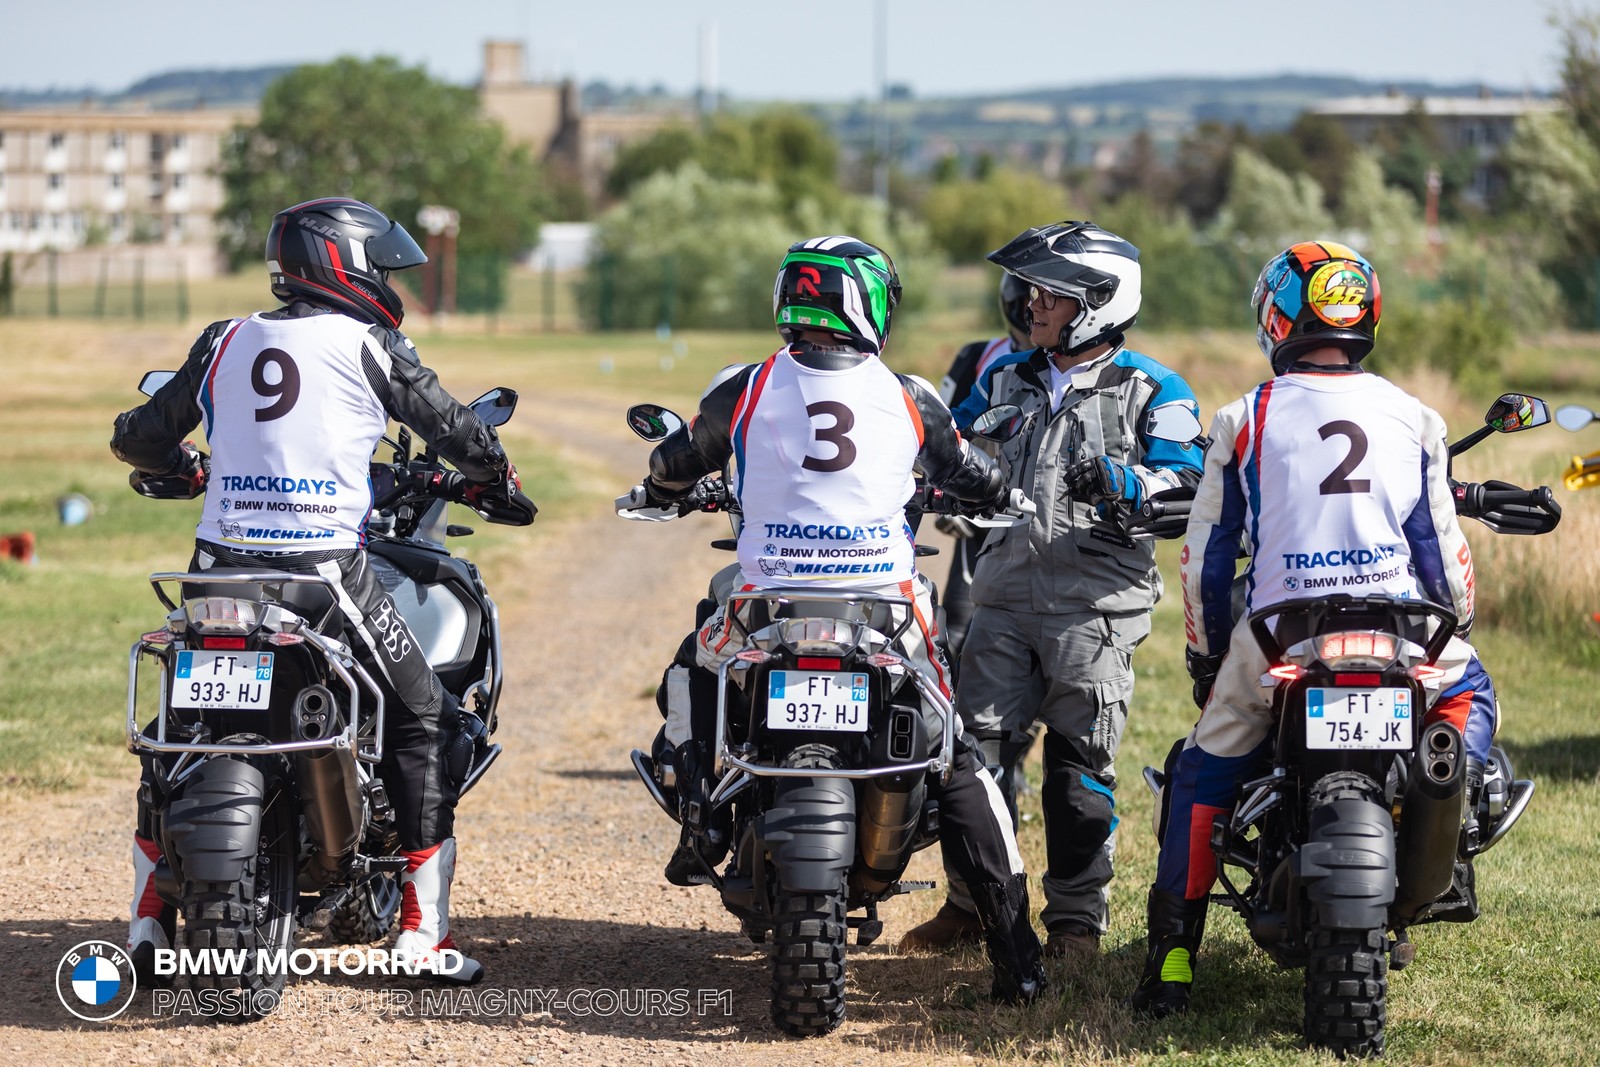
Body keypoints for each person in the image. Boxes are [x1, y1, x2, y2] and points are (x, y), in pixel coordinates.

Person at [111, 197, 524, 984]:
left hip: (218, 573)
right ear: (347, 264)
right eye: (383, 266)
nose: (389, 282)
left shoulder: (224, 338)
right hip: (324, 576)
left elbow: (138, 435)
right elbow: (454, 429)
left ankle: (147, 921)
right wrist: (494, 472)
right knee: (422, 717)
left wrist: (182, 467)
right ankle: (421, 933)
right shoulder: (370, 344)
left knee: (176, 730)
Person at [644, 235, 1047, 1003]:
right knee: (956, 754)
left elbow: (674, 462)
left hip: (769, 603)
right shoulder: (909, 395)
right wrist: (1001, 492)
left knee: (691, 665)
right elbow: (970, 471)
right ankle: (1017, 955)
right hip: (883, 608)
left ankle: (702, 818)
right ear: (873, 306)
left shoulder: (744, 387)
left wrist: (661, 488)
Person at [1130, 240, 1500, 1017]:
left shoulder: (1245, 417)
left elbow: (1207, 561)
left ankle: (1171, 955)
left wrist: (1207, 658)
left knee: (1202, 771)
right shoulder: (1415, 416)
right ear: (1366, 314)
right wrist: (1454, 626)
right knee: (1470, 691)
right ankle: (1447, 792)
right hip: (1402, 634)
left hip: (1280, 638)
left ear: (1277, 318)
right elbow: (1442, 555)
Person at [900, 221, 1204, 960]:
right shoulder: (1005, 378)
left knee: (1077, 774)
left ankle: (1074, 924)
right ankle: (972, 905)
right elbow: (953, 454)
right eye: (1033, 290)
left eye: (1050, 293)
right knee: (970, 764)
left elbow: (1191, 486)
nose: (1030, 303)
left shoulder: (1155, 388)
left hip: (1093, 611)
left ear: (1098, 302)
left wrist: (1124, 481)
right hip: (1000, 599)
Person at [935, 272, 1033, 662]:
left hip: (1045, 511)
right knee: (958, 628)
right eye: (1029, 302)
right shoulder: (978, 356)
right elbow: (940, 430)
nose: (1035, 311)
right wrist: (949, 495)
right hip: (982, 507)